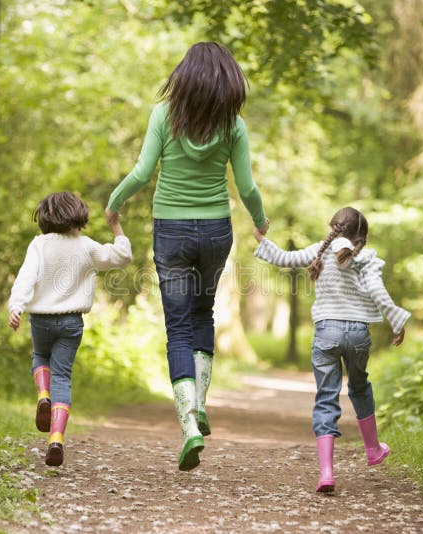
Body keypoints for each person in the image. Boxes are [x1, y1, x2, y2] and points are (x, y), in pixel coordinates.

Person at [105, 42, 269, 471]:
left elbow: (142, 172)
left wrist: (114, 202)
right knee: (204, 314)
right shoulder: (233, 125)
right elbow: (247, 187)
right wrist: (260, 219)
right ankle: (199, 404)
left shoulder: (164, 116)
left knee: (177, 327)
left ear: (184, 76)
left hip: (171, 231)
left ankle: (189, 423)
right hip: (216, 230)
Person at [252, 206, 409, 492]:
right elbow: (377, 292)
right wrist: (397, 320)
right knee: (359, 386)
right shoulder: (367, 258)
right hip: (358, 333)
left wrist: (261, 239)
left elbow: (284, 258)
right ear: (362, 236)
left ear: (334, 227)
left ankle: (326, 474)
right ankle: (373, 449)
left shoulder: (320, 251)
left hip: (326, 332)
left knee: (326, 396)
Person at [8, 192, 132, 466]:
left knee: (40, 357)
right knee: (62, 376)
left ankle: (43, 396)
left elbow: (26, 277)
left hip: (40, 319)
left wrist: (16, 306)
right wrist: (116, 226)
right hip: (71, 322)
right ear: (78, 216)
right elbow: (122, 257)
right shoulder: (86, 246)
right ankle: (56, 439)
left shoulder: (40, 244)